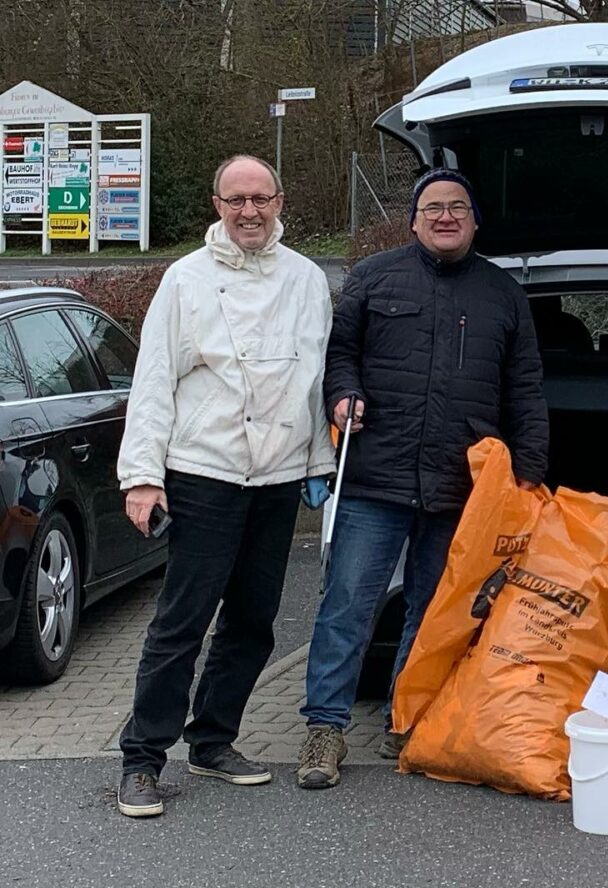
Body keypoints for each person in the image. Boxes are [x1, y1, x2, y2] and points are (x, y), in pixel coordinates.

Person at [297, 168, 549, 789]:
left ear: (474, 220)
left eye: (457, 208)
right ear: (413, 220)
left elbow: (526, 391)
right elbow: (339, 354)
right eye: (432, 208)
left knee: (436, 610)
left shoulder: (502, 293)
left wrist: (530, 475)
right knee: (347, 606)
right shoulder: (373, 276)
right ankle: (324, 731)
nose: (445, 217)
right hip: (374, 477)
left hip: (462, 483)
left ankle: (406, 721)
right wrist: (344, 395)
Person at [115, 156, 336, 818]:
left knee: (252, 621)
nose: (249, 211)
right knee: (181, 623)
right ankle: (142, 760)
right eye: (236, 200)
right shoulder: (186, 280)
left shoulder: (306, 278)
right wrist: (142, 478)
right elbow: (153, 380)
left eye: (260, 199)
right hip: (203, 474)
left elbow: (316, 377)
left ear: (279, 201)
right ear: (216, 204)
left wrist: (319, 464)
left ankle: (212, 742)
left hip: (276, 479)